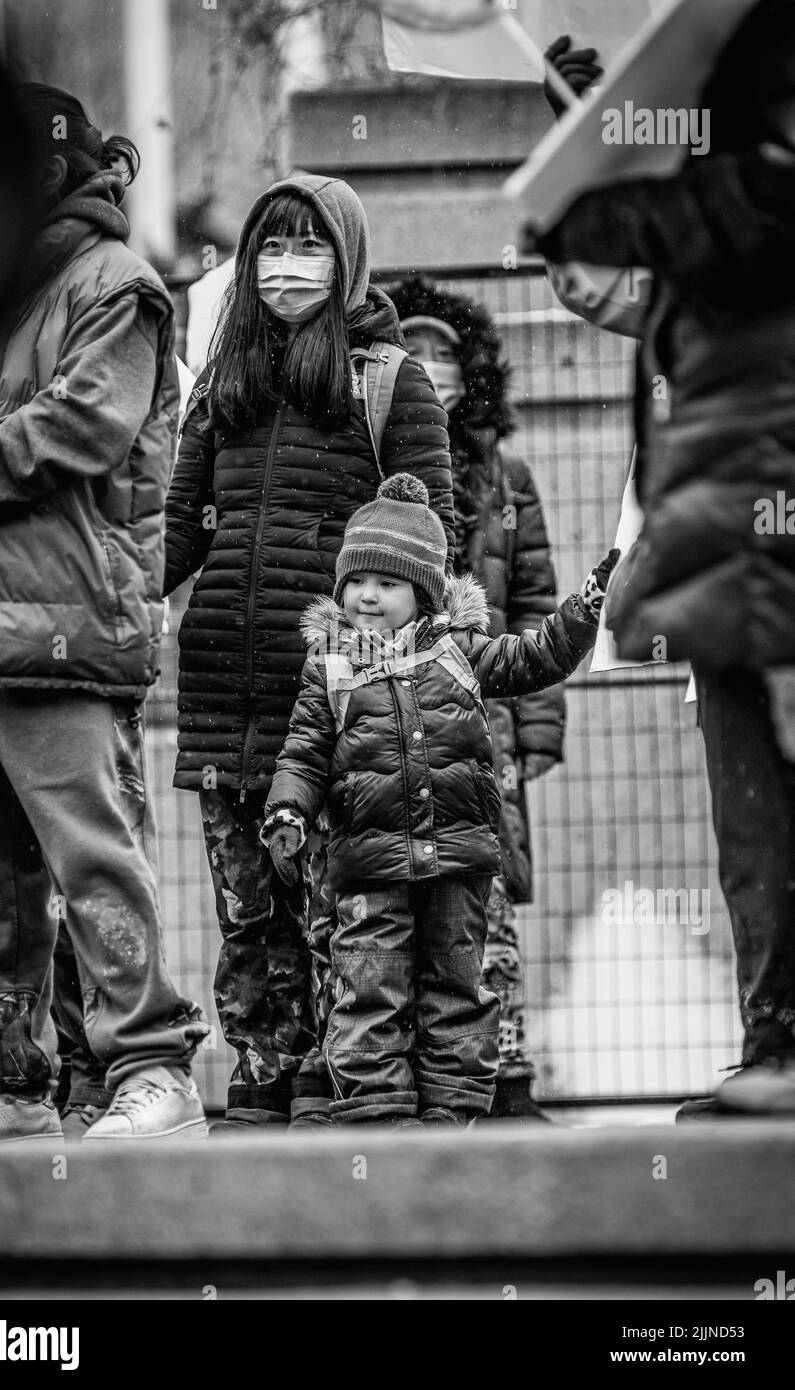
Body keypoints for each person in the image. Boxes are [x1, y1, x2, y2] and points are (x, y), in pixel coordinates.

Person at [0, 84, 209, 1146]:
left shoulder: (114, 283)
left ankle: (153, 1066)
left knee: (90, 853)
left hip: (61, 611)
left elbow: (80, 430)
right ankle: (3, 1081)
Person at [530, 2, 795, 1117]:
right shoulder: (707, 206)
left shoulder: (744, 192)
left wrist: (631, 154)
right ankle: (778, 1043)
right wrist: (592, 137)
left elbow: (739, 214)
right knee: (756, 822)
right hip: (733, 552)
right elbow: (599, 267)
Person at [163, 174, 455, 1127]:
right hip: (218, 687)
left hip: (339, 702)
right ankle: (261, 1077)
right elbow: (176, 527)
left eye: (309, 248)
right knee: (249, 913)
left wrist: (378, 660)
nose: (285, 270)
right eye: (270, 250)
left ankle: (343, 1086)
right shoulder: (224, 378)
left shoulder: (389, 379)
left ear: (348, 258)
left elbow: (431, 540)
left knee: (344, 908)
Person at [260, 473, 617, 1125]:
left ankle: (452, 1110)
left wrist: (582, 610)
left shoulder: (460, 653)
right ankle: (376, 1110)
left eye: (388, 583)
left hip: (458, 860)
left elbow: (534, 657)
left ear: (422, 595)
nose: (368, 595)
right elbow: (302, 754)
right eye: (357, 581)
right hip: (368, 867)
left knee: (455, 987)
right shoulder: (329, 670)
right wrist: (287, 810)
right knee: (369, 986)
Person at [388, 275, 564, 1121]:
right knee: (396, 893)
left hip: (487, 716)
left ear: (474, 369)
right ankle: (415, 1081)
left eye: (444, 352)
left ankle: (504, 1076)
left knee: (486, 890)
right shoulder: (376, 457)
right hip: (390, 711)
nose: (428, 365)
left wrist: (537, 724)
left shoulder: (505, 473)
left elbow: (536, 601)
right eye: (411, 348)